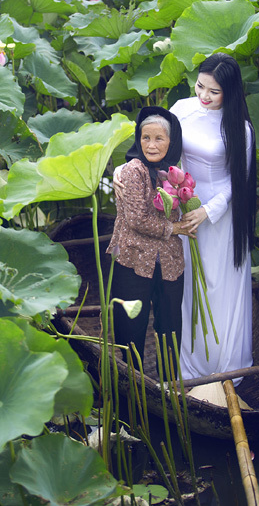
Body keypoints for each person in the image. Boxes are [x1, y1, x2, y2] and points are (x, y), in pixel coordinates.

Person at [114, 54, 256, 383]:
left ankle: (221, 368)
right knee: (185, 287)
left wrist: (207, 211)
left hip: (219, 217)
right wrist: (125, 167)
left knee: (217, 289)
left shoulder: (241, 130)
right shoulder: (182, 108)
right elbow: (156, 144)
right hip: (178, 205)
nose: (204, 96)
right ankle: (187, 369)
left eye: (214, 92)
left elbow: (238, 182)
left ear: (230, 93)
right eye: (200, 86)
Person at [107, 106, 190, 374]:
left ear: (171, 141)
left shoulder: (173, 173)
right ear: (138, 139)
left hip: (168, 261)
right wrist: (175, 228)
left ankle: (169, 386)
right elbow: (137, 220)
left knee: (170, 327)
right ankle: (133, 388)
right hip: (133, 260)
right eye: (145, 138)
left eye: (159, 139)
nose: (151, 145)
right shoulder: (133, 171)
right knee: (130, 329)